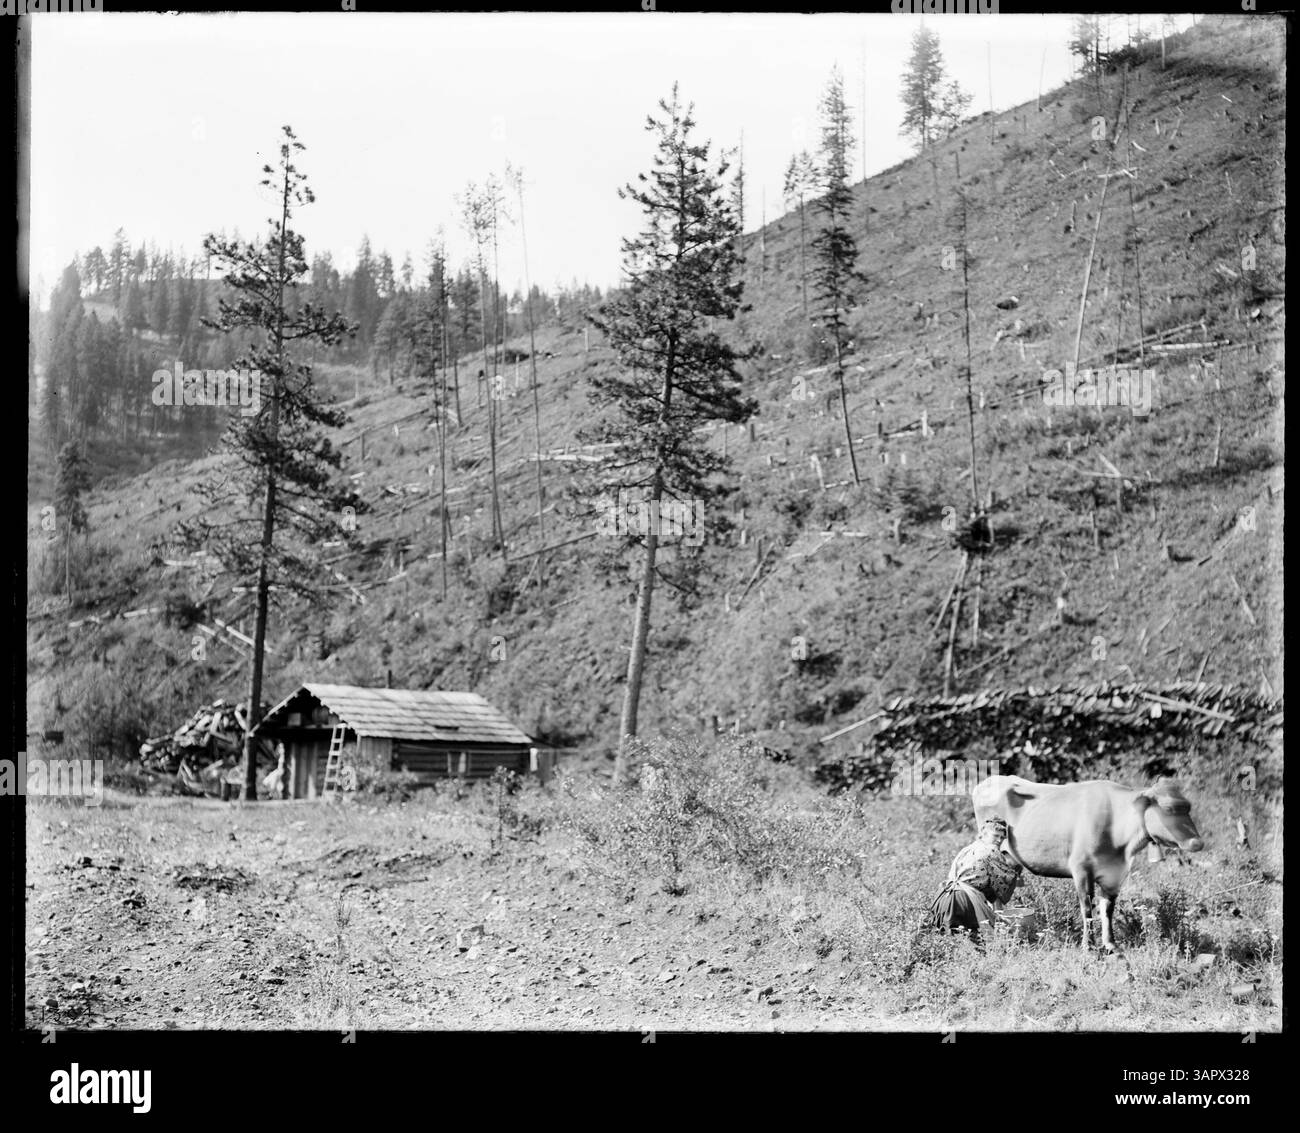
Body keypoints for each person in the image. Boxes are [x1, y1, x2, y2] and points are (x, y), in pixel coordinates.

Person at [929, 816, 1022, 943]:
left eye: (1002, 837)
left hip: (945, 897)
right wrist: (1016, 871)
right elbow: (1003, 882)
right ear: (983, 833)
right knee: (977, 943)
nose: (999, 840)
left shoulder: (968, 848)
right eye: (995, 836)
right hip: (964, 900)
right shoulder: (992, 850)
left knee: (950, 942)